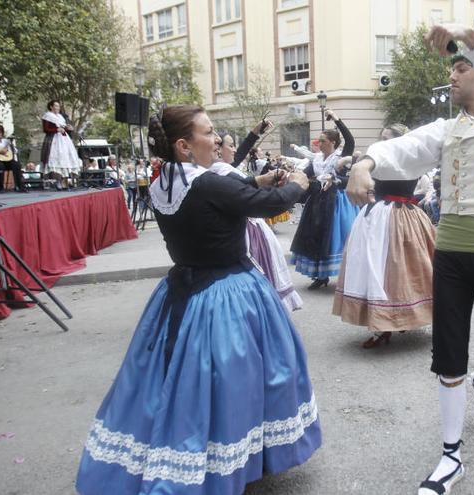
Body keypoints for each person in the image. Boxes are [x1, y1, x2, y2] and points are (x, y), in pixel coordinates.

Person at [75, 105, 320, 494]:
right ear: (184, 145)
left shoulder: (162, 183)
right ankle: (230, 459)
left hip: (181, 293)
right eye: (209, 133)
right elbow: (265, 205)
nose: (217, 139)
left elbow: (232, 194)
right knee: (241, 379)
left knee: (178, 379)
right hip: (227, 290)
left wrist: (260, 181)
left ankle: (203, 451)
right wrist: (298, 187)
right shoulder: (206, 183)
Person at [347, 24, 474, 494]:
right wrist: (364, 163)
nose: (451, 77)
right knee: (446, 355)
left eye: (460, 68)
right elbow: (404, 149)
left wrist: (472, 40)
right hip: (449, 254)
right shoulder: (446, 129)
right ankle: (451, 456)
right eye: (451, 68)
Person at [332, 124, 436, 348]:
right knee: (375, 268)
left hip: (400, 217)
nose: (382, 142)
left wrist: (352, 162)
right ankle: (383, 325)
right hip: (376, 216)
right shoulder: (377, 157)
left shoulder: (408, 159)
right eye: (381, 138)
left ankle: (403, 316)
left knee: (405, 270)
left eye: (387, 138)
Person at [212, 122, 305, 313]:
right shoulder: (220, 171)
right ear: (219, 150)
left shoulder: (225, 168)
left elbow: (241, 156)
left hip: (252, 225)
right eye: (230, 145)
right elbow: (251, 190)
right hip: (246, 229)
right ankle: (265, 312)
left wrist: (255, 132)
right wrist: (290, 187)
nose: (235, 149)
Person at [290, 108, 360, 289]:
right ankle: (321, 276)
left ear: (333, 142)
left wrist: (337, 119)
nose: (319, 143)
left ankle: (348, 275)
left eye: (322, 141)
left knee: (338, 238)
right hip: (317, 201)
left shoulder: (341, 157)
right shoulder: (317, 159)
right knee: (316, 236)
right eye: (319, 141)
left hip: (337, 202)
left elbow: (350, 139)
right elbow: (305, 174)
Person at [40, 99, 81, 184]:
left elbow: (63, 128)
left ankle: (65, 182)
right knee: (55, 157)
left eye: (58, 106)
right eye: (55, 106)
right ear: (51, 107)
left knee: (65, 157)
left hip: (64, 140)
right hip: (53, 140)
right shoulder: (47, 116)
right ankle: (56, 181)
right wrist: (56, 129)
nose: (57, 108)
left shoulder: (60, 117)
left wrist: (68, 128)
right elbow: (45, 129)